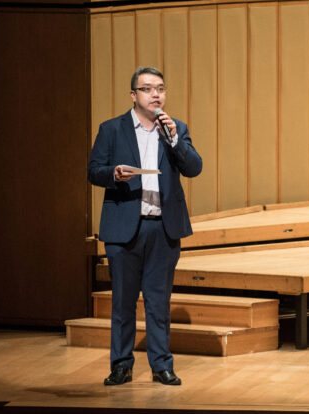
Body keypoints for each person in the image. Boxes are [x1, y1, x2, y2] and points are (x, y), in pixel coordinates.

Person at [88, 67, 203, 386]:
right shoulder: (111, 129)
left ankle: (161, 364)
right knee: (123, 302)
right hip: (125, 227)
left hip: (162, 228)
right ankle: (121, 364)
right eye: (148, 89)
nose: (156, 94)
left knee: (158, 301)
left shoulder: (175, 128)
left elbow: (194, 168)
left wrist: (176, 140)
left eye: (161, 89)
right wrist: (114, 173)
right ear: (133, 95)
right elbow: (93, 170)